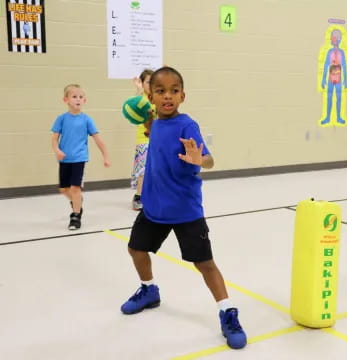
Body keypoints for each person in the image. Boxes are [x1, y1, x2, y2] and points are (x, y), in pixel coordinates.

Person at [120, 66, 247, 349]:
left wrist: (198, 160)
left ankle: (227, 311)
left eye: (174, 91)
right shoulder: (153, 122)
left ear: (183, 95)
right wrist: (139, 99)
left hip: (186, 210)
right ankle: (149, 289)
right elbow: (145, 120)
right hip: (154, 207)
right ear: (151, 96)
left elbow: (210, 160)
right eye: (161, 91)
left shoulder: (187, 125)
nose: (168, 96)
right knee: (136, 249)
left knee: (205, 264)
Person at [51, 84, 110, 230]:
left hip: (80, 158)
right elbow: (54, 138)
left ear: (85, 100)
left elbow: (98, 140)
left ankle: (76, 216)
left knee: (75, 188)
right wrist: (56, 150)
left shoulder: (87, 120)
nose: (78, 99)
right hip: (65, 159)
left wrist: (106, 156)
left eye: (81, 97)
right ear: (66, 100)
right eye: (74, 96)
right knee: (64, 189)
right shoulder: (61, 119)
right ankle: (78, 202)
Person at [130, 69, 154, 210]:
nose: (151, 84)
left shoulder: (157, 97)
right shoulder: (142, 99)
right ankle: (138, 197)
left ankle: (151, 195)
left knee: (156, 169)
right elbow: (135, 107)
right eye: (147, 82)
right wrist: (138, 90)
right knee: (143, 170)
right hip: (144, 140)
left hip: (158, 139)